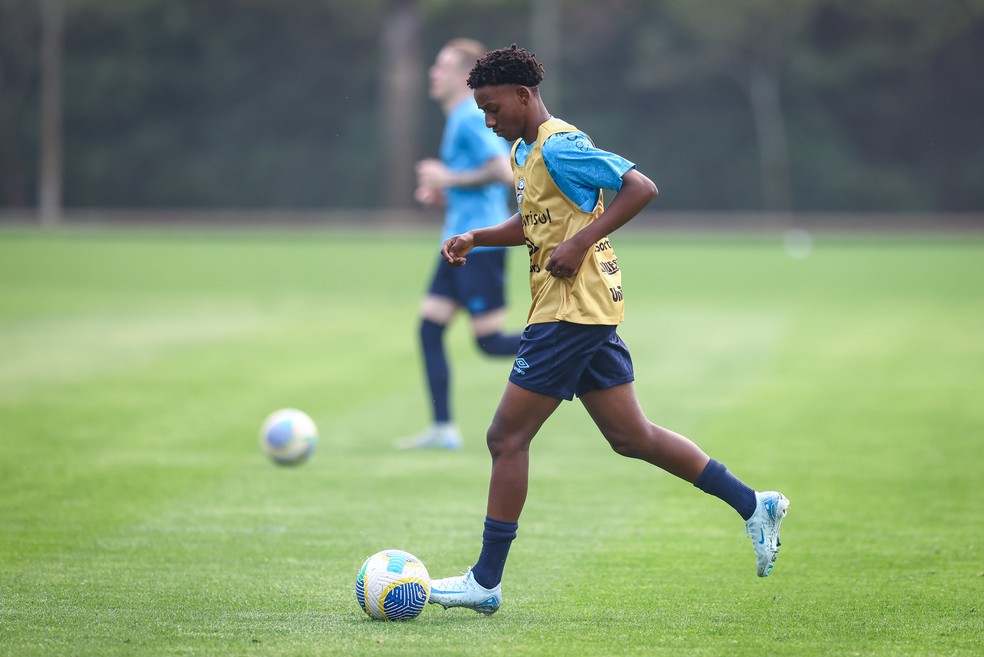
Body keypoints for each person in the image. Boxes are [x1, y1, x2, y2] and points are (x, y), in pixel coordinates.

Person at [427, 45, 790, 614]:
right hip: (586, 309)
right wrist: (478, 238)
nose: (489, 122)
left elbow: (640, 187)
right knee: (632, 437)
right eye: (483, 112)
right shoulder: (525, 150)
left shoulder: (562, 145)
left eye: (494, 109)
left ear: (523, 96)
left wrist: (578, 242)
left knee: (506, 438)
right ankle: (754, 504)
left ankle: (485, 581)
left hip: (569, 312)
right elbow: (534, 224)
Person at [397, 39, 522, 450]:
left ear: (463, 76)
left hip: (479, 247)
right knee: (429, 330)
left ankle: (572, 343)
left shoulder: (470, 117)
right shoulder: (457, 119)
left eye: (442, 66)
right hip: (455, 246)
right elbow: (475, 179)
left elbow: (502, 171)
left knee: (489, 342)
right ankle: (443, 429)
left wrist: (447, 178)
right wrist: (445, 192)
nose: (433, 73)